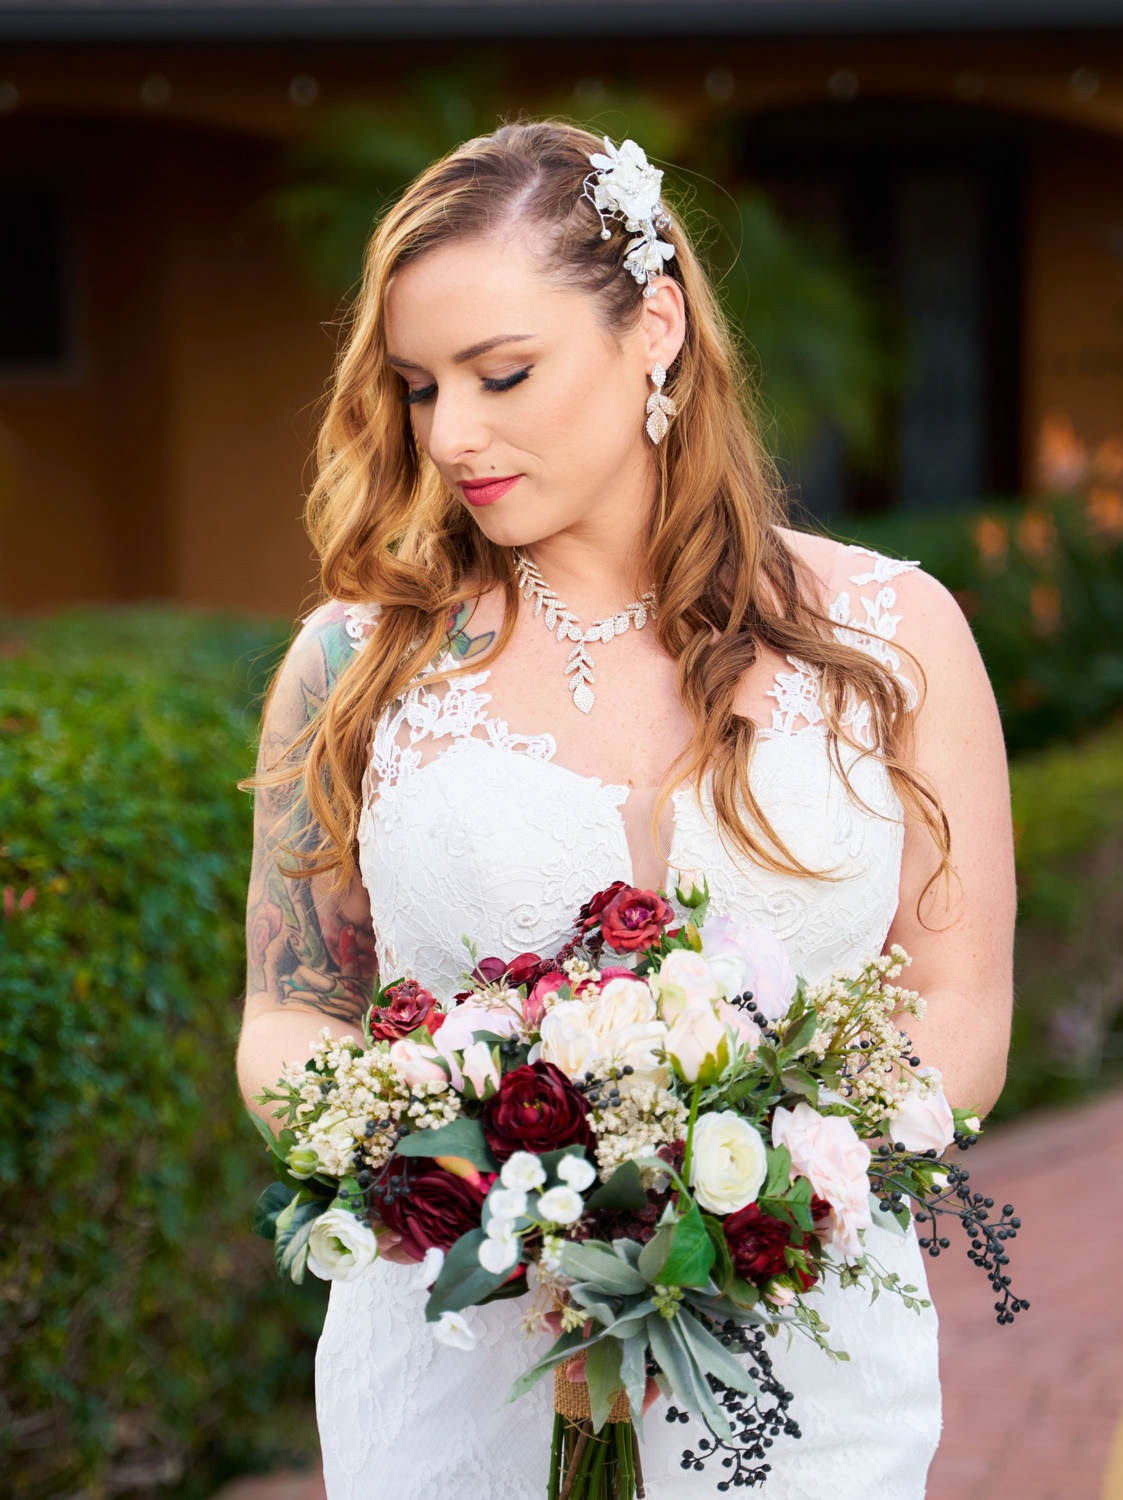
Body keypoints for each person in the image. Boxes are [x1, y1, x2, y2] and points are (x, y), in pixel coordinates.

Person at [236, 119, 1014, 1499]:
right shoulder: (353, 667)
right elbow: (296, 1006)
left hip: (803, 1359)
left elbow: (957, 1011)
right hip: (462, 1355)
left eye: (503, 374)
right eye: (419, 388)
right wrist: (446, 1159)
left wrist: (741, 1188)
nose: (452, 434)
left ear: (653, 324)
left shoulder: (900, 639)